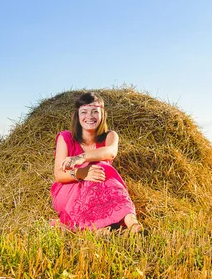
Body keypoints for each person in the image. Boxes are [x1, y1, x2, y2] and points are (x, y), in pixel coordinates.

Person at [50, 92, 143, 233]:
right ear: (77, 115)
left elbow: (110, 152)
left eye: (95, 111)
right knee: (99, 168)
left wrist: (82, 157)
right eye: (84, 112)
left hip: (101, 185)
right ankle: (99, 227)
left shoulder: (110, 136)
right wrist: (82, 172)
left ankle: (132, 222)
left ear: (102, 114)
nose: (89, 116)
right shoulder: (66, 137)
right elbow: (59, 175)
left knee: (101, 169)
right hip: (70, 190)